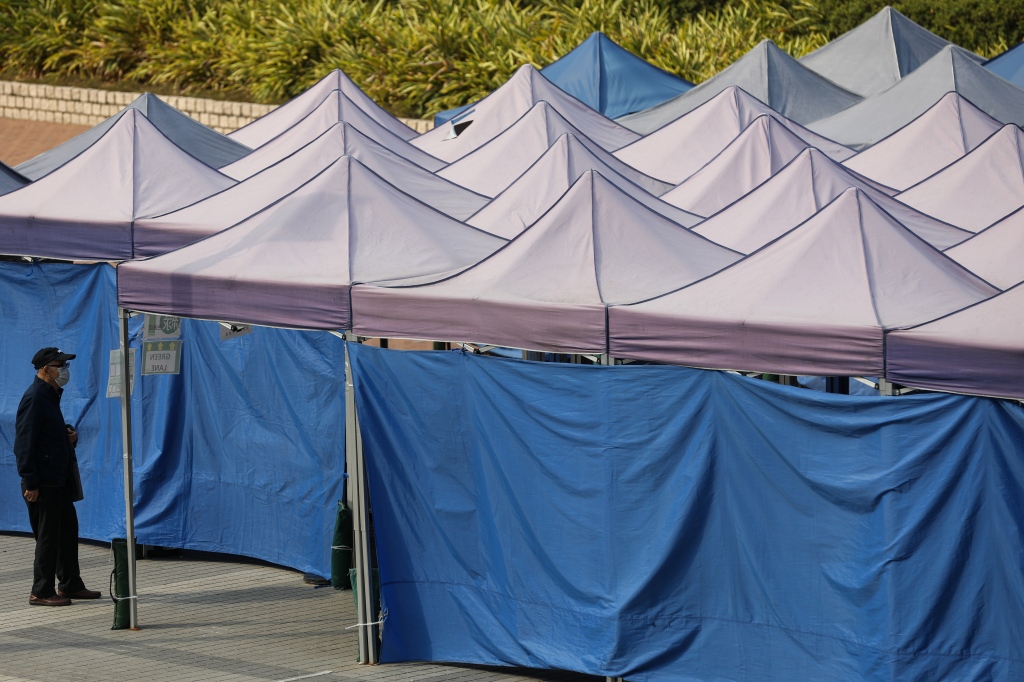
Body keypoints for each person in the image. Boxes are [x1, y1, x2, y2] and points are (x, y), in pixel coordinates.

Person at [15, 347, 101, 606]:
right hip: (43, 482)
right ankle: (40, 591)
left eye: (65, 365)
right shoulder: (35, 397)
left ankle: (70, 584)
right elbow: (24, 443)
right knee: (48, 537)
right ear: (44, 369)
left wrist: (69, 436)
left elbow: (47, 434)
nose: (64, 370)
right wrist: (30, 481)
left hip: (59, 479)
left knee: (67, 532)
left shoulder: (51, 396)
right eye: (59, 365)